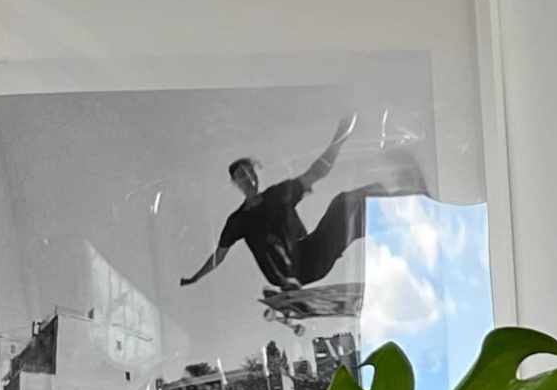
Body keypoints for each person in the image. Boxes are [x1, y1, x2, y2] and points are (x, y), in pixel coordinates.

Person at [181, 113, 430, 294]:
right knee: (271, 242)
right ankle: (289, 283)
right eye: (241, 178)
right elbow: (219, 256)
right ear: (235, 184)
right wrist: (196, 277)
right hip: (285, 275)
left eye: (249, 174)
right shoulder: (237, 221)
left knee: (345, 202)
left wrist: (338, 140)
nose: (247, 180)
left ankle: (407, 201)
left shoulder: (278, 194)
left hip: (313, 253)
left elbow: (316, 172)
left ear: (256, 174)